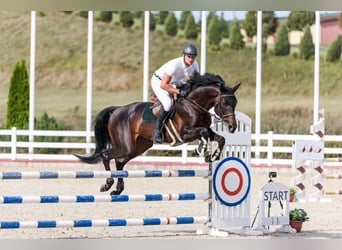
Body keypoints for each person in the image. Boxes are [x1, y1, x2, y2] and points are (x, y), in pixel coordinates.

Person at [150, 44, 200, 143]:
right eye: (189, 57)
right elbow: (164, 85)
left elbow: (195, 82)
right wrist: (179, 91)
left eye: (193, 57)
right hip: (159, 82)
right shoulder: (174, 65)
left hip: (174, 81)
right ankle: (157, 132)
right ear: (184, 55)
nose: (191, 59)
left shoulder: (195, 65)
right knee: (168, 104)